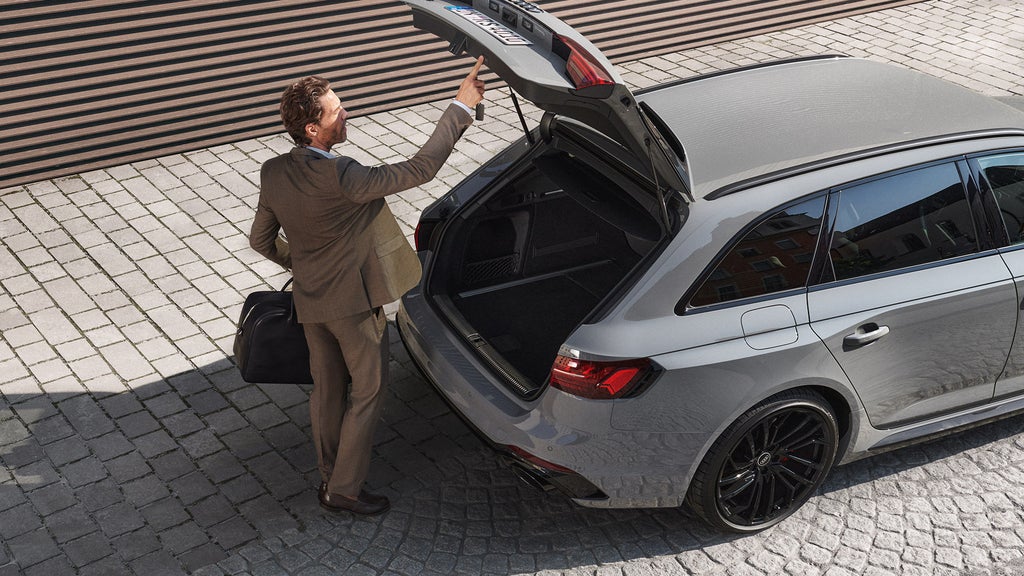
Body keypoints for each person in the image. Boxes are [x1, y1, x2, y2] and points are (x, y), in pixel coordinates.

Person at [249, 57, 486, 515]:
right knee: (368, 391)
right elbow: (421, 169)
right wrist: (460, 107)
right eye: (337, 110)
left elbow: (260, 240)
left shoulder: (273, 171)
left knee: (327, 391)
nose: (346, 113)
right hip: (354, 308)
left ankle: (328, 475)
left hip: (311, 302)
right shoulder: (344, 176)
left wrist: (302, 265)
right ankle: (344, 490)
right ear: (313, 130)